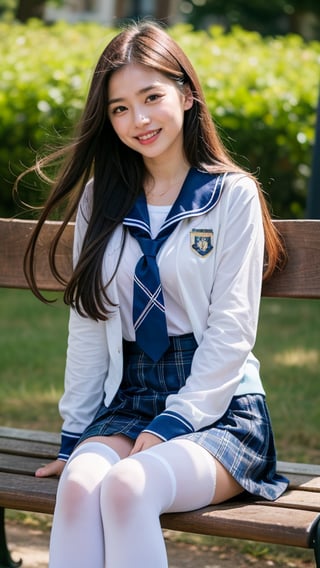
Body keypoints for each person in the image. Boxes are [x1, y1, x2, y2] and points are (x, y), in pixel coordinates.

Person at [21, 21, 288, 568]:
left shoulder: (230, 195)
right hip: (128, 396)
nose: (137, 120)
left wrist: (177, 420)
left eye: (151, 98)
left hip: (218, 405)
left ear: (187, 95)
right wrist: (75, 436)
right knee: (78, 487)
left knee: (127, 489)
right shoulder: (103, 198)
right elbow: (90, 323)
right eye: (119, 108)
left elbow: (232, 328)